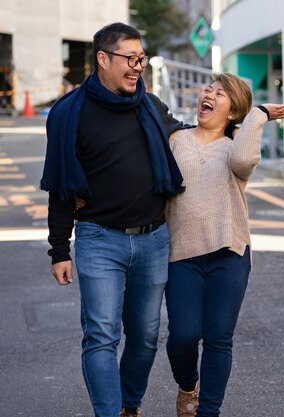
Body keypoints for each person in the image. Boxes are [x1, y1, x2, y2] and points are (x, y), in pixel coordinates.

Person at [40, 22, 185, 417]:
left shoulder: (151, 107)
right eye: (130, 58)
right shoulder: (70, 114)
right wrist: (58, 250)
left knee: (145, 337)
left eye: (142, 58)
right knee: (102, 335)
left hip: (154, 238)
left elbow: (189, 140)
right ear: (103, 59)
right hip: (99, 239)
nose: (138, 67)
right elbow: (61, 185)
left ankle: (129, 406)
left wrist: (240, 123)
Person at [164, 73, 284, 417]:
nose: (208, 94)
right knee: (183, 337)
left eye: (219, 93)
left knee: (219, 338)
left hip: (229, 253)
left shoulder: (237, 146)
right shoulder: (176, 139)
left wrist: (259, 115)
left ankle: (208, 412)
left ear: (234, 111)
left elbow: (244, 162)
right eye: (208, 89)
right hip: (181, 255)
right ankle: (187, 384)